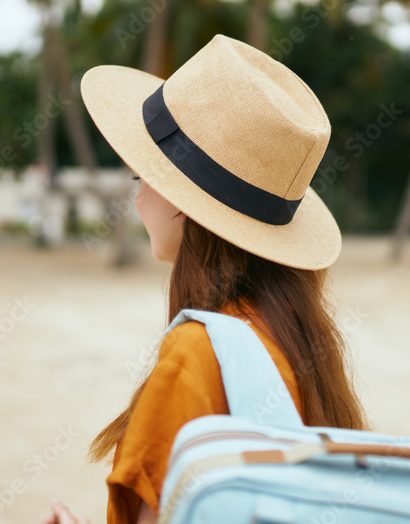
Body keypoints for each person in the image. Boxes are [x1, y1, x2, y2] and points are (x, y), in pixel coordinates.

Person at [41, 34, 367, 524]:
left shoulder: (197, 355)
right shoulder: (302, 340)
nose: (139, 195)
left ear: (186, 204)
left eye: (143, 176)